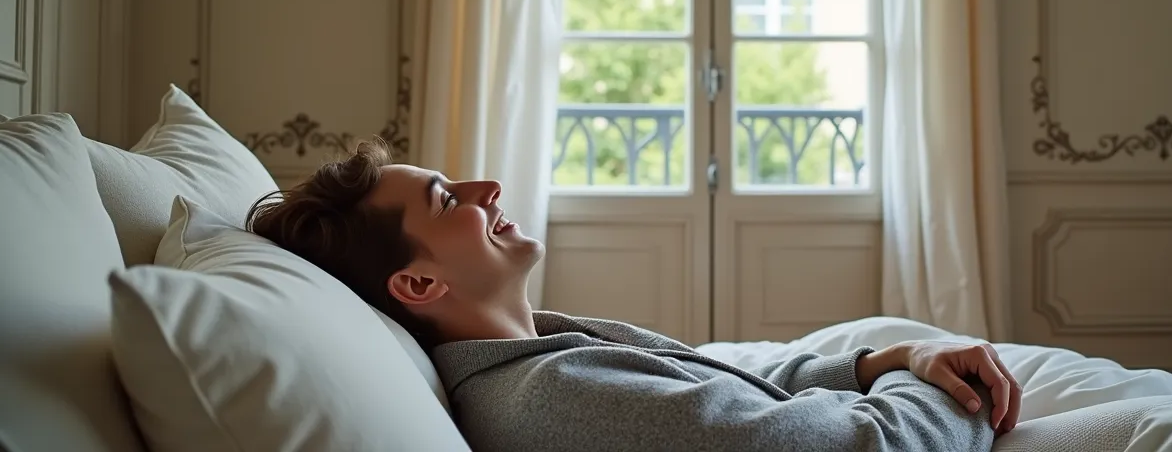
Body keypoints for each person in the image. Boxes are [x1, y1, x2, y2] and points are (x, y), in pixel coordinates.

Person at [246, 140, 1022, 451]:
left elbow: (724, 390)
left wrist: (890, 356)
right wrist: (951, 391)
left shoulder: (543, 342)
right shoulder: (554, 396)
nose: (489, 188)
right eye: (451, 201)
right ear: (419, 283)